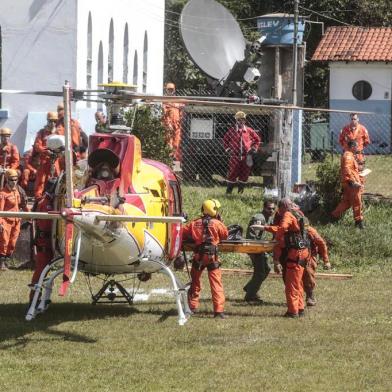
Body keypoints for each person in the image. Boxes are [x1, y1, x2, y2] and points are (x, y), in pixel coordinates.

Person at [183, 199, 228, 319]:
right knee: (216, 284)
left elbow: (183, 232)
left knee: (195, 282)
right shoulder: (217, 223)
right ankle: (218, 311)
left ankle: (192, 307)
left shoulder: (194, 223)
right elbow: (225, 235)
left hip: (198, 257)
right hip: (212, 257)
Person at [243, 200, 276, 303]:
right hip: (255, 248)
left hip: (261, 248)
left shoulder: (269, 218)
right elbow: (253, 237)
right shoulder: (259, 218)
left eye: (273, 208)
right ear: (264, 208)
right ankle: (250, 296)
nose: (271, 210)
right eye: (269, 208)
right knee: (260, 272)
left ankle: (250, 287)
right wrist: (253, 252)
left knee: (266, 269)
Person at [29, 180, 56, 301]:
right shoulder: (46, 203)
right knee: (40, 272)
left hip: (49, 243)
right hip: (44, 244)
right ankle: (34, 299)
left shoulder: (49, 201)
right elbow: (46, 226)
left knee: (45, 273)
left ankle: (42, 298)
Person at [223, 111, 260, 194]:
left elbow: (257, 139)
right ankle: (228, 192)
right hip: (235, 156)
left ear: (245, 121)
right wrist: (228, 149)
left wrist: (254, 148)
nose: (241, 122)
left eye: (243, 120)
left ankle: (240, 192)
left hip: (247, 156)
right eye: (239, 120)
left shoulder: (249, 130)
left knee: (245, 174)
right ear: (236, 120)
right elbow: (225, 140)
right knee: (233, 173)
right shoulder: (232, 130)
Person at [332, 140, 364, 228]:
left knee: (346, 202)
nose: (357, 148)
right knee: (357, 202)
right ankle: (359, 222)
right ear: (352, 147)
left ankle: (334, 216)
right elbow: (346, 169)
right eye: (356, 146)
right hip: (352, 184)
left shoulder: (349, 155)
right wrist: (352, 182)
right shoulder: (348, 156)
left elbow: (350, 169)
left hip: (348, 183)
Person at [0, 169, 28, 271]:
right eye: (12, 180)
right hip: (6, 221)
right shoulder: (3, 193)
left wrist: (28, 215)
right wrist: (1, 224)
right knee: (4, 242)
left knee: (12, 243)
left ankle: (7, 261)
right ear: (7, 180)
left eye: (16, 179)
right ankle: (1, 263)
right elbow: (0, 211)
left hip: (16, 221)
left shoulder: (17, 191)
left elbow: (22, 204)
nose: (14, 182)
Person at [33, 112, 62, 199]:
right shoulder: (41, 133)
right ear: (47, 121)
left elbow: (64, 145)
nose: (53, 123)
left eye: (54, 121)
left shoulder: (59, 132)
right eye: (51, 121)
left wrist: (58, 152)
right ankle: (38, 199)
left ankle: (57, 197)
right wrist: (47, 151)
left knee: (57, 178)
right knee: (41, 180)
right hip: (44, 160)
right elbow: (37, 146)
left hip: (55, 159)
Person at [304, 226, 331, 306]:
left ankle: (310, 296)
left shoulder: (309, 230)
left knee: (308, 273)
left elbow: (321, 243)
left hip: (310, 254)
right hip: (295, 254)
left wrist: (326, 261)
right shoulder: (290, 229)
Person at [163, 82, 183, 161]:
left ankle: (176, 156)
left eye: (172, 89)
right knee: (169, 140)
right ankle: (169, 156)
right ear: (166, 90)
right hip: (169, 124)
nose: (170, 91)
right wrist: (168, 123)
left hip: (177, 124)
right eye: (169, 89)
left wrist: (181, 120)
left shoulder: (177, 100)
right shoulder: (165, 101)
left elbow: (181, 111)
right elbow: (165, 113)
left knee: (177, 140)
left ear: (174, 90)